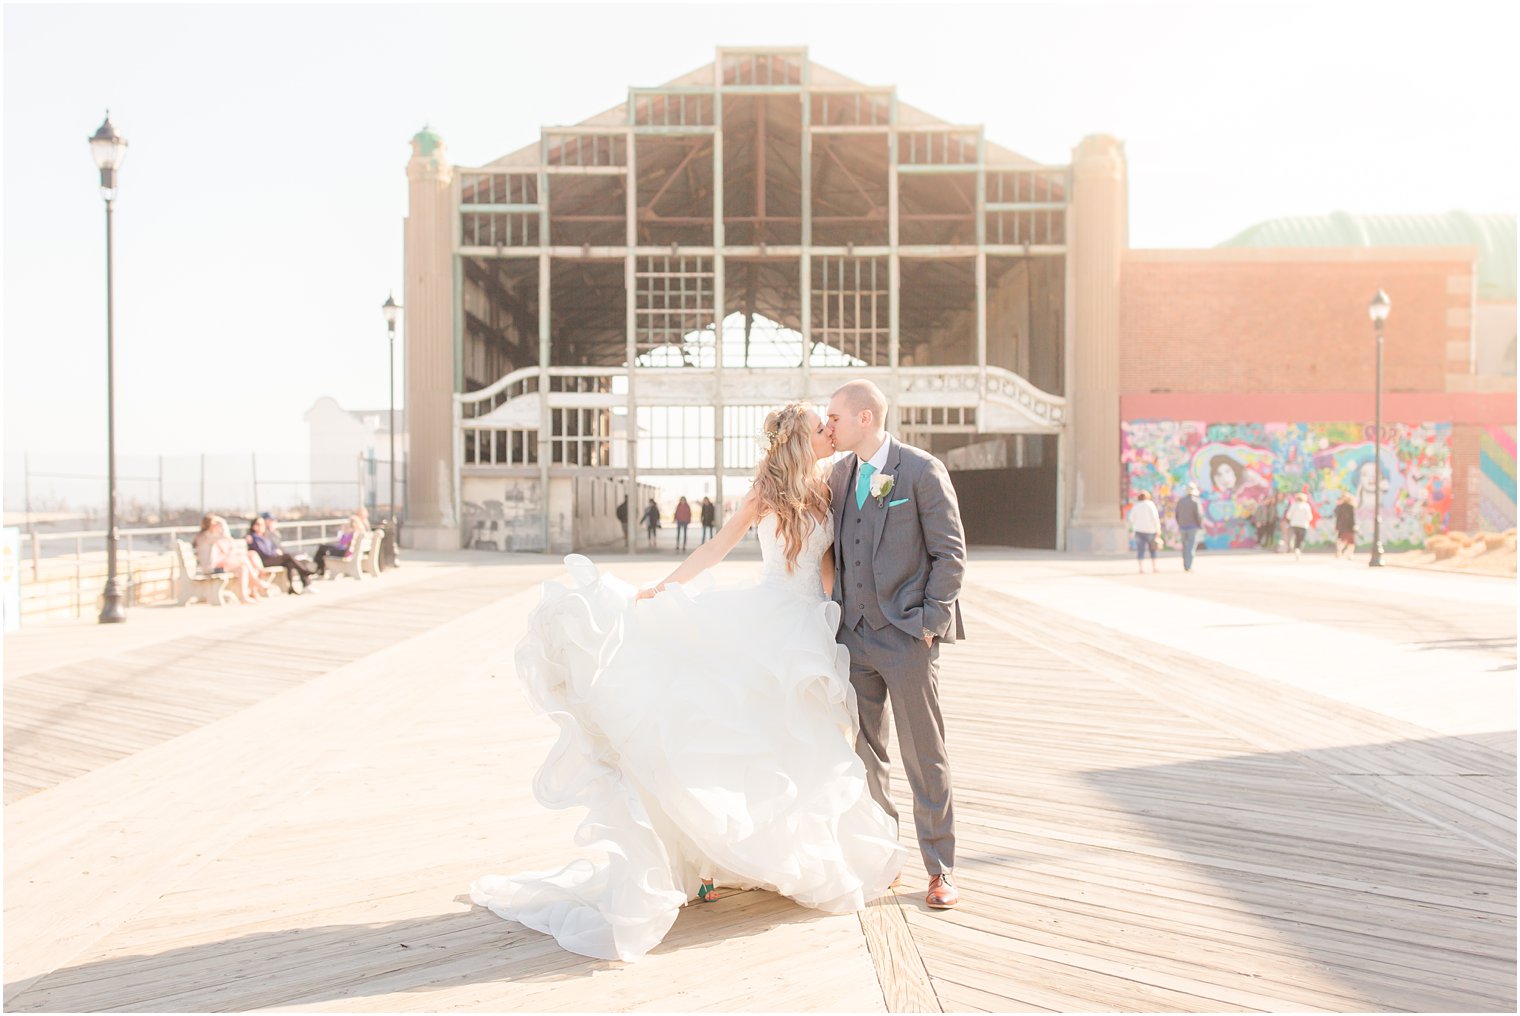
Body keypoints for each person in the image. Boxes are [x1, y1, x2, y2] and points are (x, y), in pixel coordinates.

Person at [471, 400, 906, 962]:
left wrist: (844, 614)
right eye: (820, 428)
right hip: (766, 620)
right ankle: (721, 857)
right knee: (749, 741)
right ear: (801, 439)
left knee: (806, 745)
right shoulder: (764, 494)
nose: (829, 432)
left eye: (831, 425)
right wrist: (664, 586)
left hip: (806, 628)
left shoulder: (827, 489)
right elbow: (714, 548)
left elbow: (826, 569)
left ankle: (775, 854)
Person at [825, 379, 968, 912]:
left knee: (924, 754)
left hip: (908, 637)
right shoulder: (839, 474)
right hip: (854, 636)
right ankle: (886, 856)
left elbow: (951, 555)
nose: (828, 425)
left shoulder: (921, 470)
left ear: (865, 418)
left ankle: (942, 869)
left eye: (834, 417)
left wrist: (930, 622)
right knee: (867, 756)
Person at [191, 514, 263, 604]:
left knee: (243, 568)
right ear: (209, 524)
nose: (217, 525)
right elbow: (225, 536)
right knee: (243, 560)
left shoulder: (211, 537)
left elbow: (228, 548)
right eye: (215, 523)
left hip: (216, 566)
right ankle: (256, 582)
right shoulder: (205, 536)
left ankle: (245, 596)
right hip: (210, 569)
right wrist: (223, 522)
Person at [247, 514, 315, 594]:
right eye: (259, 524)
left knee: (289, 563)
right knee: (288, 556)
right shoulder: (253, 537)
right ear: (254, 526)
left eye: (263, 524)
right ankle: (304, 571)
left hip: (271, 558)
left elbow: (271, 547)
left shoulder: (264, 536)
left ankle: (291, 587)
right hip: (264, 561)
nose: (262, 526)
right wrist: (275, 552)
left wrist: (275, 551)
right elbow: (264, 552)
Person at [1128, 491, 1161, 573]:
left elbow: (1131, 518)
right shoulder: (1150, 505)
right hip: (1150, 531)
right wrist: (1158, 529)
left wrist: (1132, 528)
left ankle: (1141, 568)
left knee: (1140, 550)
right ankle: (1154, 567)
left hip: (1139, 531)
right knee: (1153, 549)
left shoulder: (1136, 506)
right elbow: (1155, 518)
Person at [1174, 483, 1205, 572]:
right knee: (1191, 546)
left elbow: (1177, 515)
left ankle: (1185, 565)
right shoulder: (1195, 501)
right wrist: (1200, 525)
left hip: (1183, 526)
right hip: (1192, 527)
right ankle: (1189, 566)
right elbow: (1199, 515)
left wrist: (1180, 524)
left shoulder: (1181, 501)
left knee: (1185, 546)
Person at [1285, 491, 1313, 560]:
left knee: (1296, 537)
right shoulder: (1306, 506)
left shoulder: (1294, 505)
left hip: (1294, 524)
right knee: (1301, 539)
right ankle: (1298, 549)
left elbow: (1288, 515)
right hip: (1303, 525)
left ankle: (1296, 549)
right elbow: (1309, 517)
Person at [1333, 492, 1357, 559]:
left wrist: (1337, 526)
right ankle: (1348, 554)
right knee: (1349, 542)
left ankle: (1342, 553)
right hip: (1348, 526)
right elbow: (1352, 518)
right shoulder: (1349, 507)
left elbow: (1337, 516)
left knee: (1343, 540)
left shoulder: (1341, 507)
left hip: (1344, 526)